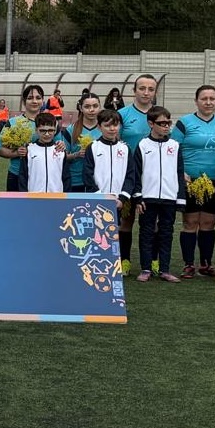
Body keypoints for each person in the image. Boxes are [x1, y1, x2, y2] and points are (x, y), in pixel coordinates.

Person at [173, 85, 215, 279]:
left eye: (212, 99)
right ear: (196, 101)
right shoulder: (184, 123)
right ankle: (189, 264)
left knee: (208, 223)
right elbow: (173, 150)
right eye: (204, 98)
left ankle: (206, 264)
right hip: (190, 179)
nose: (208, 102)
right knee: (190, 222)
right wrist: (181, 173)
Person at [125, 106, 186, 283]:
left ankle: (164, 269)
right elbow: (136, 173)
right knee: (146, 233)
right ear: (151, 124)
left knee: (166, 233)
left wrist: (180, 198)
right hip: (148, 198)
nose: (166, 126)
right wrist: (138, 197)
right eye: (162, 123)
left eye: (168, 123)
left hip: (169, 197)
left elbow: (179, 172)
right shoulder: (143, 145)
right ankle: (145, 269)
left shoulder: (175, 146)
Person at [116, 74, 159, 274]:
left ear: (155, 92)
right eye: (142, 88)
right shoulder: (123, 114)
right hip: (128, 175)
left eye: (151, 89)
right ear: (134, 90)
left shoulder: (160, 114)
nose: (146, 92)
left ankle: (154, 261)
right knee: (127, 219)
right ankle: (124, 261)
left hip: (153, 176)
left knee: (153, 221)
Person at [82, 110, 134, 225]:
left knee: (114, 233)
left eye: (115, 125)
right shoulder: (93, 147)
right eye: (107, 125)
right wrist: (100, 196)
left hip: (118, 201)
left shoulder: (125, 148)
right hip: (97, 200)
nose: (112, 129)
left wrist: (122, 198)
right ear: (99, 127)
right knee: (97, 235)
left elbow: (130, 175)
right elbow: (87, 175)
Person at [0, 84, 46, 191]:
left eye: (38, 98)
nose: (34, 101)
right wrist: (16, 153)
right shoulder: (13, 123)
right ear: (24, 101)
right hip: (16, 174)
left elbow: (58, 149)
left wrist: (60, 145)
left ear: (43, 101)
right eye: (30, 98)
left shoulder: (50, 122)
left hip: (42, 176)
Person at [16, 112, 67, 193]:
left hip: (57, 197)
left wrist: (66, 197)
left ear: (55, 130)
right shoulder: (29, 149)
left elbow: (66, 177)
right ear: (36, 130)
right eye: (43, 130)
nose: (47, 134)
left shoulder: (60, 150)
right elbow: (23, 176)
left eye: (50, 130)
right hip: (33, 197)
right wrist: (24, 196)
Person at [64, 92, 103, 193]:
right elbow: (63, 157)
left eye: (95, 106)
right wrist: (76, 154)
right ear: (81, 108)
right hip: (76, 181)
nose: (91, 110)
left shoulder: (104, 129)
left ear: (100, 107)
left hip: (99, 181)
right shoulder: (71, 130)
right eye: (87, 106)